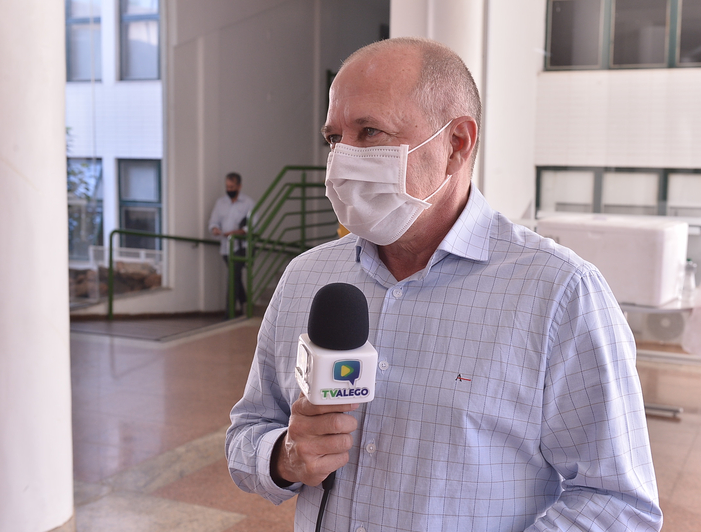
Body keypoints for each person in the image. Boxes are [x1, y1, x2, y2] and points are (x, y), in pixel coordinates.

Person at [226, 37, 662, 531]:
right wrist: (284, 456)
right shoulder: (306, 277)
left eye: (369, 132)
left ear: (456, 143)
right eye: (333, 138)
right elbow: (247, 431)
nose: (342, 160)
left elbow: (618, 505)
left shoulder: (560, 293)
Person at [208, 172, 255, 316]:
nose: (229, 189)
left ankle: (229, 314)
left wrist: (236, 232)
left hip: (240, 247)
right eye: (227, 187)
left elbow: (253, 226)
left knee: (233, 279)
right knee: (236, 278)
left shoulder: (248, 203)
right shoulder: (220, 203)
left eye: (232, 187)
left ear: (239, 186)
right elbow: (213, 221)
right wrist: (215, 229)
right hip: (225, 248)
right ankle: (246, 306)